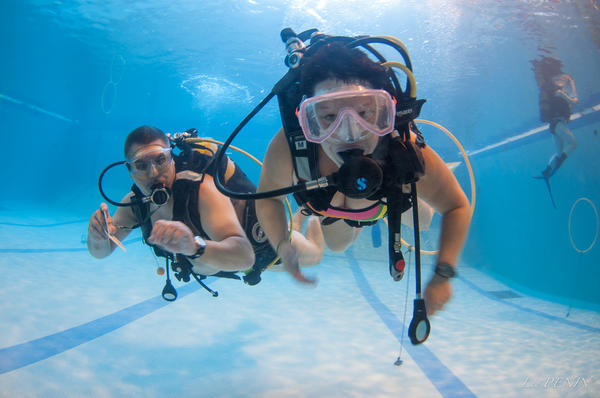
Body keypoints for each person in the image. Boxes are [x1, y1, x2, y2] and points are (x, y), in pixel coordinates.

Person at [256, 41, 471, 316]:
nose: (349, 133)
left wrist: (443, 275)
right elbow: (268, 200)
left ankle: (424, 181)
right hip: (333, 212)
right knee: (337, 245)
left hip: (390, 201)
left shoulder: (401, 147)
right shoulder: (291, 145)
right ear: (307, 120)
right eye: (329, 116)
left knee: (424, 223)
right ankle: (315, 218)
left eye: (365, 113)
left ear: (385, 111)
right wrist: (282, 245)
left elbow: (457, 206)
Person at [88, 126, 324, 288]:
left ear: (171, 158)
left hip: (265, 245)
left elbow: (245, 257)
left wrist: (194, 246)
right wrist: (98, 237)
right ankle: (298, 217)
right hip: (224, 263)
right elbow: (101, 252)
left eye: (160, 160)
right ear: (130, 171)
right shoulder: (134, 204)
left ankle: (311, 219)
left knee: (314, 255)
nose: (153, 173)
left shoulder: (201, 190)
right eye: (141, 165)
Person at [532, 56, 578, 179]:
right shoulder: (560, 83)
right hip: (557, 123)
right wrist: (564, 96)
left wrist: (563, 96)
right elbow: (574, 101)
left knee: (559, 153)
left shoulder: (550, 85)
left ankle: (547, 171)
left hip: (553, 125)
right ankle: (558, 163)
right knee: (573, 143)